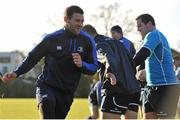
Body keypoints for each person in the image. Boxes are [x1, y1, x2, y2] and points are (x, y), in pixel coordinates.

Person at [2, 5, 98, 119]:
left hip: (67, 93)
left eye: (82, 21)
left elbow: (94, 67)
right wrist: (16, 73)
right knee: (48, 103)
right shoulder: (52, 38)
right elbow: (33, 58)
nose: (80, 24)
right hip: (47, 87)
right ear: (66, 20)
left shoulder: (88, 41)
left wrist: (82, 64)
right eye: (77, 21)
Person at [132, 13, 179, 119]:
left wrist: (127, 67)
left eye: (140, 25)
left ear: (149, 24)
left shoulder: (154, 34)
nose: (137, 29)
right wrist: (144, 72)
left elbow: (144, 53)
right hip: (151, 87)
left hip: (166, 88)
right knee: (147, 117)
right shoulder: (149, 39)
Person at [82, 24, 110, 119]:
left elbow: (105, 59)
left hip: (109, 84)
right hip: (128, 84)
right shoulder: (110, 40)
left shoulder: (96, 44)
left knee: (106, 116)